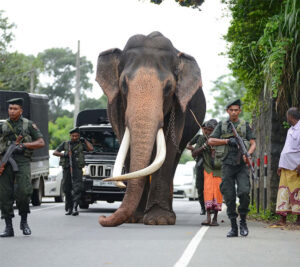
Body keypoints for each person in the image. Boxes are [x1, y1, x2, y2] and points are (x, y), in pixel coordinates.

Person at [208, 99, 256, 237]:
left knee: (244, 193)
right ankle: (234, 225)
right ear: (227, 111)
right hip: (227, 165)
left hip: (241, 165)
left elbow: (253, 144)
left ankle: (243, 222)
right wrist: (227, 141)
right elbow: (210, 140)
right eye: (231, 110)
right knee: (229, 196)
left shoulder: (244, 125)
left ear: (240, 111)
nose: (234, 112)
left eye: (236, 110)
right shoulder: (222, 126)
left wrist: (249, 155)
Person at [0, 98, 45, 237]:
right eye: (10, 108)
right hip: (5, 161)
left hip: (22, 161)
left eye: (15, 109)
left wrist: (24, 145)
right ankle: (8, 227)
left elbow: (41, 142)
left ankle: (24, 222)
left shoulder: (28, 125)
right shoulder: (3, 125)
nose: (12, 111)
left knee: (24, 192)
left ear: (21, 110)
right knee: (4, 194)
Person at [53, 128, 93, 216]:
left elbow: (91, 148)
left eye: (76, 136)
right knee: (66, 188)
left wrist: (85, 140)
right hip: (67, 168)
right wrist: (64, 154)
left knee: (77, 188)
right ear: (70, 136)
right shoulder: (66, 144)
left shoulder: (81, 144)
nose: (74, 137)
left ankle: (75, 207)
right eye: (73, 136)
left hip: (77, 169)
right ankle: (69, 208)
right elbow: (55, 152)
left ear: (79, 136)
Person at [272, 107, 300, 226]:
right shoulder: (290, 130)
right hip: (286, 166)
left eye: (287, 116)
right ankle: (282, 219)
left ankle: (299, 220)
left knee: (297, 192)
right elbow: (286, 148)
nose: (286, 118)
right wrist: (280, 164)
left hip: (296, 166)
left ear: (290, 117)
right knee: (283, 192)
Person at [192, 119, 222, 226]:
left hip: (219, 170)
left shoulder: (222, 139)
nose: (209, 132)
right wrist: (205, 146)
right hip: (207, 168)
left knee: (218, 193)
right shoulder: (202, 139)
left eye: (212, 130)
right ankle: (208, 217)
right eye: (208, 130)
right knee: (208, 191)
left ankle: (215, 219)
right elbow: (194, 153)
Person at [187, 123, 207, 215]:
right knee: (200, 187)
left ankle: (211, 207)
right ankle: (203, 207)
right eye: (204, 128)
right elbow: (188, 145)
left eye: (208, 129)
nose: (205, 131)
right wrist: (194, 149)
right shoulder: (199, 137)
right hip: (200, 164)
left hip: (211, 165)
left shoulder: (213, 138)